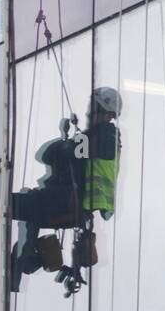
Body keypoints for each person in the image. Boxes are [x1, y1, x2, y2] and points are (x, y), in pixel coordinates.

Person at [9, 86, 122, 297]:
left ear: (106, 112)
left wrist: (68, 143)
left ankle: (23, 264)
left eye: (94, 107)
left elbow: (55, 154)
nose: (89, 113)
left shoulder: (106, 135)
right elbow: (62, 154)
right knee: (28, 211)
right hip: (72, 206)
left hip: (69, 203)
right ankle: (23, 263)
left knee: (16, 206)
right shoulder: (102, 138)